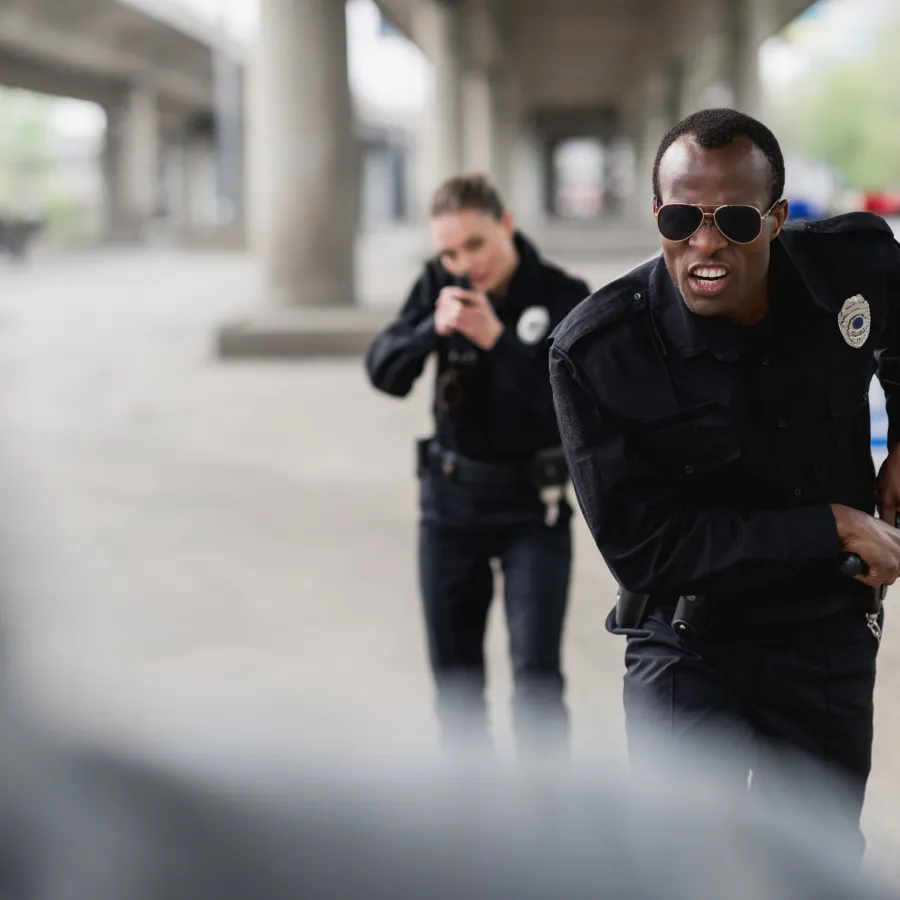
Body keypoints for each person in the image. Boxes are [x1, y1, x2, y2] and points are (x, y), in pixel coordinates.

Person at [548, 108, 900, 861]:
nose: (705, 243)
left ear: (775, 218)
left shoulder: (854, 268)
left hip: (825, 637)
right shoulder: (598, 354)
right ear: (657, 213)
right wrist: (834, 524)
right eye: (682, 217)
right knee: (685, 866)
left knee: (819, 864)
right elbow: (645, 551)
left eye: (735, 220)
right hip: (687, 641)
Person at [365, 173, 589, 755]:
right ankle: (474, 824)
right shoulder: (440, 285)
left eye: (475, 245)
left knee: (538, 685)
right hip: (449, 505)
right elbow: (384, 373)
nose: (464, 263)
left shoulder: (563, 294)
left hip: (532, 509)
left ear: (506, 225)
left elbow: (573, 412)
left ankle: (546, 822)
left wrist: (501, 342)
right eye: (449, 251)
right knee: (456, 688)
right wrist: (426, 331)